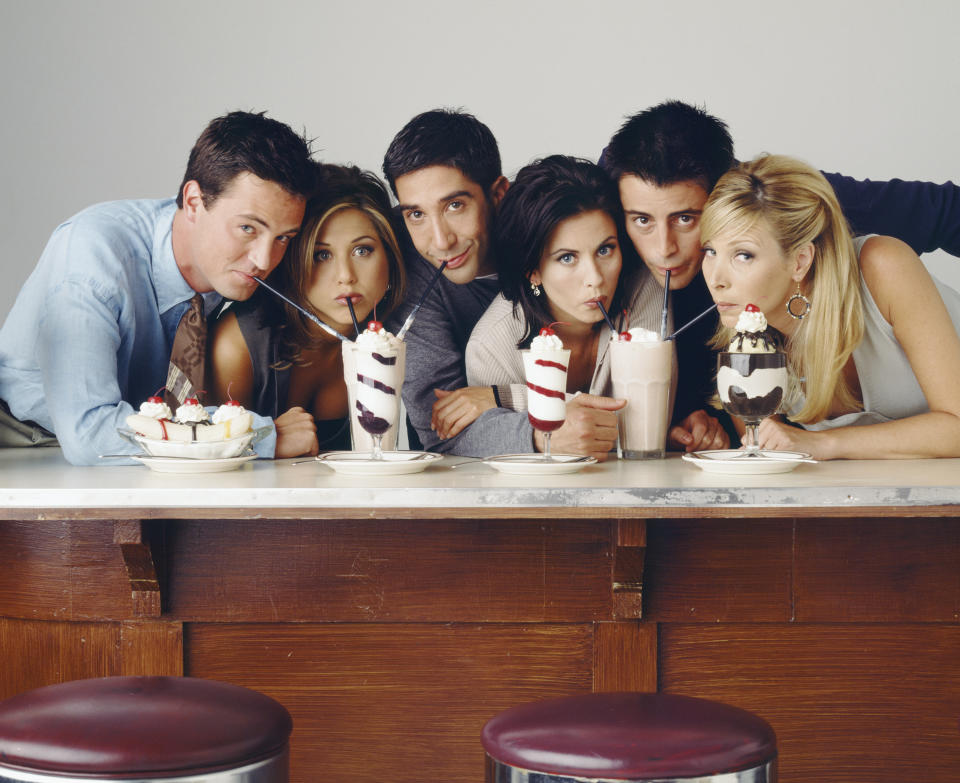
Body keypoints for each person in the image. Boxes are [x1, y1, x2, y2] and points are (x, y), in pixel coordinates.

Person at [602, 100, 960, 442]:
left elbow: (948, 211)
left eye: (686, 218)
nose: (663, 248)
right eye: (642, 220)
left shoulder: (785, 208)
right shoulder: (610, 239)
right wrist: (691, 419)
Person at [0, 111, 316, 465]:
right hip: (30, 445)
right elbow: (87, 434)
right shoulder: (94, 255)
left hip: (135, 451)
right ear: (194, 202)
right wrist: (256, 436)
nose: (263, 259)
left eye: (284, 237)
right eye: (248, 229)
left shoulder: (228, 270)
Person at [700, 154, 960, 459]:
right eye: (710, 250)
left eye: (743, 255)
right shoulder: (743, 342)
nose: (716, 279)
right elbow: (763, 453)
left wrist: (822, 443)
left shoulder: (883, 267)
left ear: (800, 261)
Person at [465, 156, 720, 459]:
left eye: (604, 250)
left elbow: (647, 426)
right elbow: (486, 442)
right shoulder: (492, 345)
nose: (596, 278)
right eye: (567, 258)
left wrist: (511, 399)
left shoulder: (644, 289)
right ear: (532, 269)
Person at [208, 164, 405, 456]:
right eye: (322, 255)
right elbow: (210, 463)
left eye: (362, 250)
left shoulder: (393, 335)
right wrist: (264, 438)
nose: (346, 275)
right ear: (292, 260)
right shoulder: (237, 344)